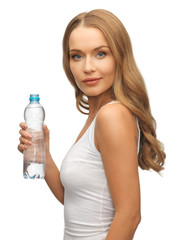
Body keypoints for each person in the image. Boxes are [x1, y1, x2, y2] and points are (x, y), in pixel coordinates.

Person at [18, 9, 166, 240]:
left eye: (100, 54)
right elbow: (76, 200)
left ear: (120, 56)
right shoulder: (98, 116)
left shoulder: (112, 115)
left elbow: (130, 215)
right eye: (77, 56)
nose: (87, 67)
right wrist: (43, 155)